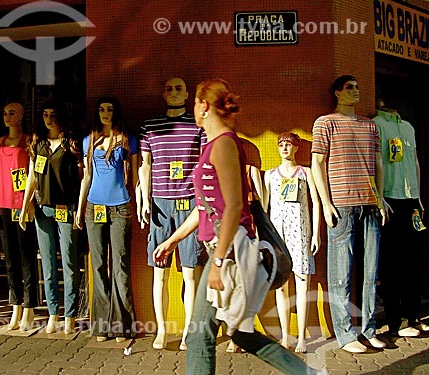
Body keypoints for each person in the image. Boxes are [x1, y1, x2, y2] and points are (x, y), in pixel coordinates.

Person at [154, 79, 324, 374]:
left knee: (198, 335)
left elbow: (234, 206)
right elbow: (206, 208)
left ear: (204, 106)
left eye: (195, 102)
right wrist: (172, 240)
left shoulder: (223, 145)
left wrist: (219, 261)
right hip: (224, 248)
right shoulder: (213, 145)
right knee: (239, 332)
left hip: (230, 251)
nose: (193, 108)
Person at [311, 75, 386, 353]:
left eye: (357, 87)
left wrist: (380, 199)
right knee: (341, 274)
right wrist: (326, 202)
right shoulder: (325, 122)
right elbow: (317, 162)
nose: (356, 92)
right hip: (341, 205)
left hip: (369, 204)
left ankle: (369, 329)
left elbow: (379, 163)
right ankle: (345, 335)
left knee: (370, 271)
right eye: (350, 88)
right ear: (337, 93)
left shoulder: (370, 126)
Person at [138, 77, 204, 350]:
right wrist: (144, 199)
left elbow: (204, 164)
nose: (174, 92)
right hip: (160, 204)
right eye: (169, 88)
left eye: (179, 88)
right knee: (159, 272)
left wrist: (203, 201)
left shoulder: (197, 126)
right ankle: (162, 331)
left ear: (187, 93)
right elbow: (145, 165)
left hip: (189, 203)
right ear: (163, 94)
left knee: (190, 273)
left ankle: (189, 331)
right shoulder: (149, 127)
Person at [76, 97, 137, 342]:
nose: (105, 113)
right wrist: (80, 209)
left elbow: (134, 177)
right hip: (94, 207)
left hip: (121, 206)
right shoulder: (88, 141)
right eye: (101, 109)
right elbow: (87, 176)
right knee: (98, 266)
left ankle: (122, 325)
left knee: (120, 265)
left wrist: (139, 201)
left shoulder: (127, 140)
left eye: (110, 109)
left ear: (116, 112)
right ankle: (101, 326)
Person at [19, 101, 82, 335]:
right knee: (47, 262)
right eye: (45, 114)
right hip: (42, 208)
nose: (49, 119)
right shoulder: (38, 144)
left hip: (66, 207)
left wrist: (79, 207)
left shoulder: (70, 144)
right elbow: (31, 177)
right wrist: (26, 205)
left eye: (53, 114)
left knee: (69, 260)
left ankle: (70, 314)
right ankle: (53, 312)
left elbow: (80, 176)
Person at [374, 100, 429, 337]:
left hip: (411, 198)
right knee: (391, 262)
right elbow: (375, 163)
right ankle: (396, 321)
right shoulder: (376, 125)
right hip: (390, 198)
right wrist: (380, 197)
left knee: (413, 259)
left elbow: (414, 161)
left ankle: (413, 315)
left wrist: (418, 196)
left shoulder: (407, 127)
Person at [263, 132, 321, 353]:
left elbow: (315, 203)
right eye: (281, 144)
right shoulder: (270, 175)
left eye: (289, 144)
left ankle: (303, 336)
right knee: (281, 286)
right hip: (278, 236)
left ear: (296, 147)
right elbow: (266, 208)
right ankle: (286, 335)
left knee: (303, 283)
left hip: (301, 233)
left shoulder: (305, 173)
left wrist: (316, 234)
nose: (285, 148)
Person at [0, 103, 38, 331]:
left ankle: (29, 306)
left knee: (26, 255)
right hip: (3, 204)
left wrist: (29, 201)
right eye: (5, 112)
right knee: (10, 259)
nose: (7, 116)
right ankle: (16, 305)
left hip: (21, 204)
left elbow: (32, 172)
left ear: (21, 116)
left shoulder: (29, 141)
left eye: (12, 113)